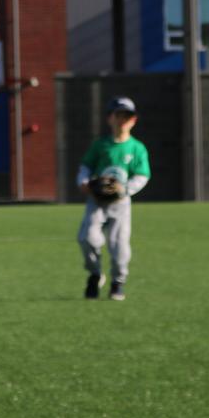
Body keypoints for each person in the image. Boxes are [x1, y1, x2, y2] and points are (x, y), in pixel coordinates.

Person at [76, 96, 150, 301]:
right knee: (86, 239)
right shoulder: (101, 145)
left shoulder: (137, 148)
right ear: (110, 118)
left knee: (119, 246)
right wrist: (83, 182)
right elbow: (86, 167)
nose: (123, 119)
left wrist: (124, 189)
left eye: (127, 116)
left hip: (120, 203)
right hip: (97, 201)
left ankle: (118, 282)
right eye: (119, 115)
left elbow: (142, 175)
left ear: (133, 120)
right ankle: (95, 274)